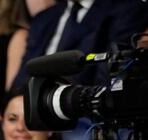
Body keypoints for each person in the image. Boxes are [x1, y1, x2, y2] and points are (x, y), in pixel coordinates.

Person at [15, 0, 148, 86]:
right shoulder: (44, 18)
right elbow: (24, 74)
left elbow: (105, 74)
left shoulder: (127, 11)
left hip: (78, 113)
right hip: (31, 108)